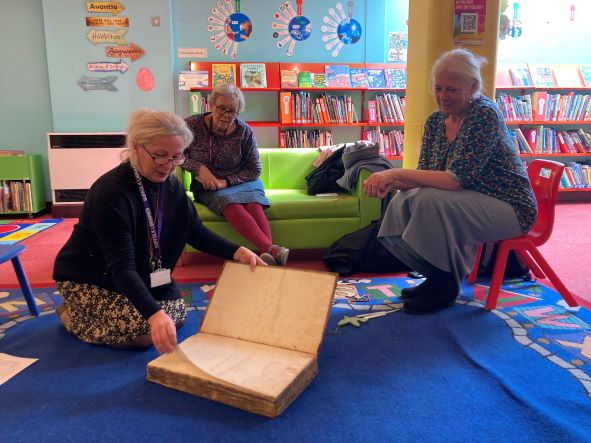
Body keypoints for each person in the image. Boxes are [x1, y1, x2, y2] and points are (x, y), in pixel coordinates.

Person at [53, 109, 265, 354]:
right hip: (91, 275)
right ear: (136, 147)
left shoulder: (171, 183)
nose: (168, 166)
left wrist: (238, 252)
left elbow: (194, 231)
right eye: (160, 156)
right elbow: (122, 267)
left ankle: (98, 313)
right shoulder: (109, 192)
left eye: (177, 157)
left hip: (144, 272)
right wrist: (153, 315)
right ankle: (72, 315)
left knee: (175, 315)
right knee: (144, 334)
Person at [363, 48, 537, 314]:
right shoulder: (435, 121)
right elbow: (426, 174)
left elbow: (457, 179)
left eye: (452, 90)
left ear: (473, 87)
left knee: (429, 201)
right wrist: (391, 184)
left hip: (511, 208)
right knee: (405, 198)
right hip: (469, 201)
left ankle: (444, 284)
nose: (443, 97)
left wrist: (395, 173)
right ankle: (436, 276)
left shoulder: (483, 114)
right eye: (438, 88)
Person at [183, 84, 289, 266]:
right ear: (211, 105)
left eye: (232, 111)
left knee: (254, 205)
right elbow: (177, 156)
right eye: (221, 108)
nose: (226, 115)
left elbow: (255, 169)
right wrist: (199, 168)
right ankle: (271, 250)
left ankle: (268, 253)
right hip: (209, 185)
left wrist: (227, 181)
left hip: (243, 180)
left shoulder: (244, 131)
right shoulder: (191, 125)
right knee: (231, 204)